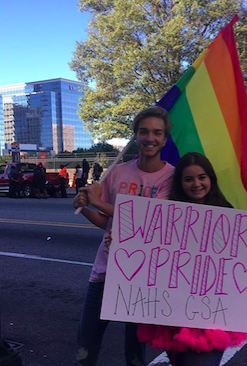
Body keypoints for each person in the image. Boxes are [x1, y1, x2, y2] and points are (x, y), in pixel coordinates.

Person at [73, 106, 175, 366]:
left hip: (144, 276)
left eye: (157, 132)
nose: (150, 138)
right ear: (135, 136)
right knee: (87, 341)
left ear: (164, 138)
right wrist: (84, 206)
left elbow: (150, 218)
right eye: (144, 131)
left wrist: (99, 202)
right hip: (106, 269)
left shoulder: (172, 177)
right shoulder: (118, 173)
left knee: (135, 351)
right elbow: (105, 221)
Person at [136, 152, 247, 366]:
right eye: (188, 179)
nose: (196, 184)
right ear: (180, 183)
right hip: (173, 312)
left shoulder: (227, 214)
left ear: (211, 179)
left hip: (213, 315)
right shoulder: (166, 216)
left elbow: (238, 266)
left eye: (201, 177)